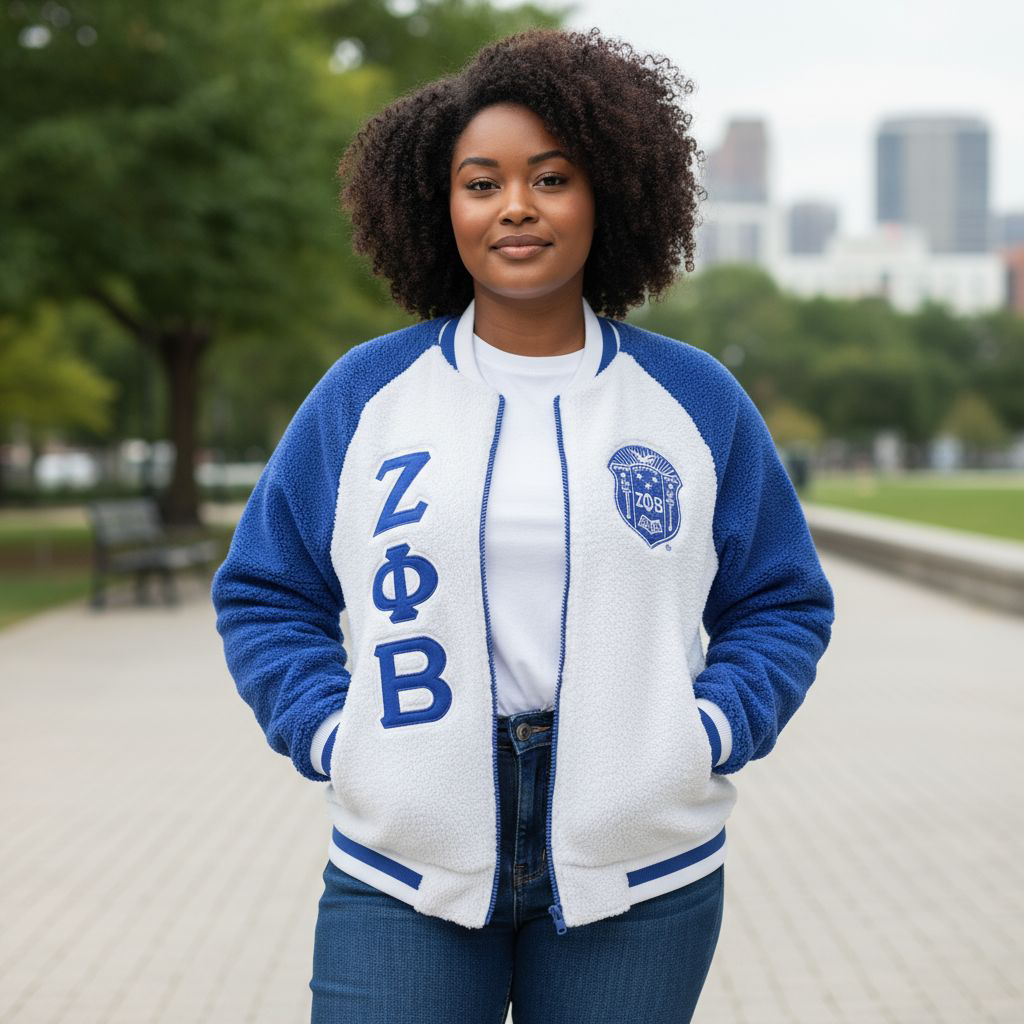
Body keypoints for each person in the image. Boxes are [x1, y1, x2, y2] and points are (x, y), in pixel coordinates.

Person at [210, 25, 836, 1024]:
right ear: (438, 204)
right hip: (404, 861)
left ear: (608, 195)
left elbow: (781, 600)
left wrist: (705, 730)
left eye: (550, 178)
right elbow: (265, 589)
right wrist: (336, 736)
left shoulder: (692, 401)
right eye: (480, 181)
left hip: (639, 866)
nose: (514, 208)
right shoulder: (365, 397)